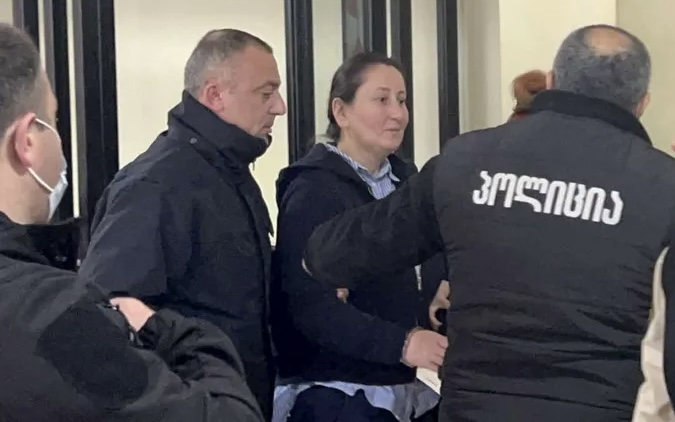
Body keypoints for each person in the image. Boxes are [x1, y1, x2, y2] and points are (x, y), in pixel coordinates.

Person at [301, 24, 675, 421]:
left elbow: (330, 255)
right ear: (642, 103)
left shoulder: (465, 161)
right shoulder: (663, 187)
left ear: (552, 82)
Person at [0, 23, 263, 421]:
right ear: (27, 142)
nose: (279, 107)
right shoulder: (48, 315)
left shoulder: (234, 180)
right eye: (55, 120)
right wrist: (167, 332)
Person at [78, 28, 286, 418]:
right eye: (266, 93)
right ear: (215, 95)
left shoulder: (228, 175)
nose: (280, 107)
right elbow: (110, 313)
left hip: (234, 403)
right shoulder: (158, 185)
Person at [271, 52, 447, 422]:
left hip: (400, 387)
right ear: (341, 112)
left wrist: (437, 286)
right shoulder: (312, 190)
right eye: (381, 99)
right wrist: (403, 343)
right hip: (337, 392)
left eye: (402, 100)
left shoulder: (408, 182)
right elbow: (310, 307)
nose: (398, 114)